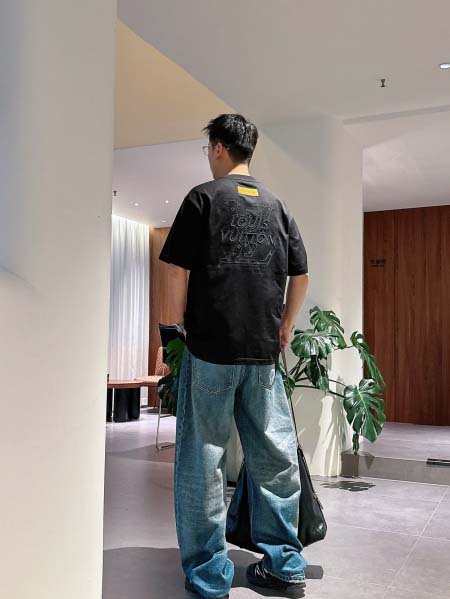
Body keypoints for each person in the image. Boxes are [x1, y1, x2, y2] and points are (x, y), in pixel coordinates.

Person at [159, 113, 309, 599]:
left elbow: (176, 270)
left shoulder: (202, 198)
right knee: (273, 457)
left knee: (204, 460)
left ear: (220, 147)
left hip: (210, 351)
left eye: (209, 148)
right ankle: (285, 565)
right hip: (262, 356)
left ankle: (209, 577)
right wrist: (284, 327)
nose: (209, 155)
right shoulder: (277, 206)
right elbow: (301, 275)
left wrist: (173, 329)